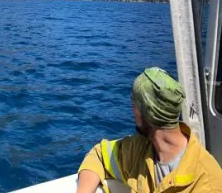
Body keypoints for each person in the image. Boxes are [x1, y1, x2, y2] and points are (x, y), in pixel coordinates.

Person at [76, 67, 222, 193]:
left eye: (134, 103)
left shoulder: (208, 182)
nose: (132, 109)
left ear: (148, 112)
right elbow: (99, 155)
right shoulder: (140, 149)